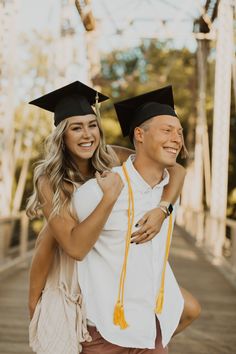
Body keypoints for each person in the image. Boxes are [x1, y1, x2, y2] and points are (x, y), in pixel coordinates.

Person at [26, 81, 199, 354]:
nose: (87, 135)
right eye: (76, 127)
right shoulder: (50, 180)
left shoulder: (111, 156)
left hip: (111, 258)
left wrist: (163, 209)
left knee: (186, 307)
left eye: (92, 125)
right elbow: (51, 247)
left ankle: (139, 339)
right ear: (62, 135)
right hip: (69, 258)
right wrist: (34, 302)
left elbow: (174, 170)